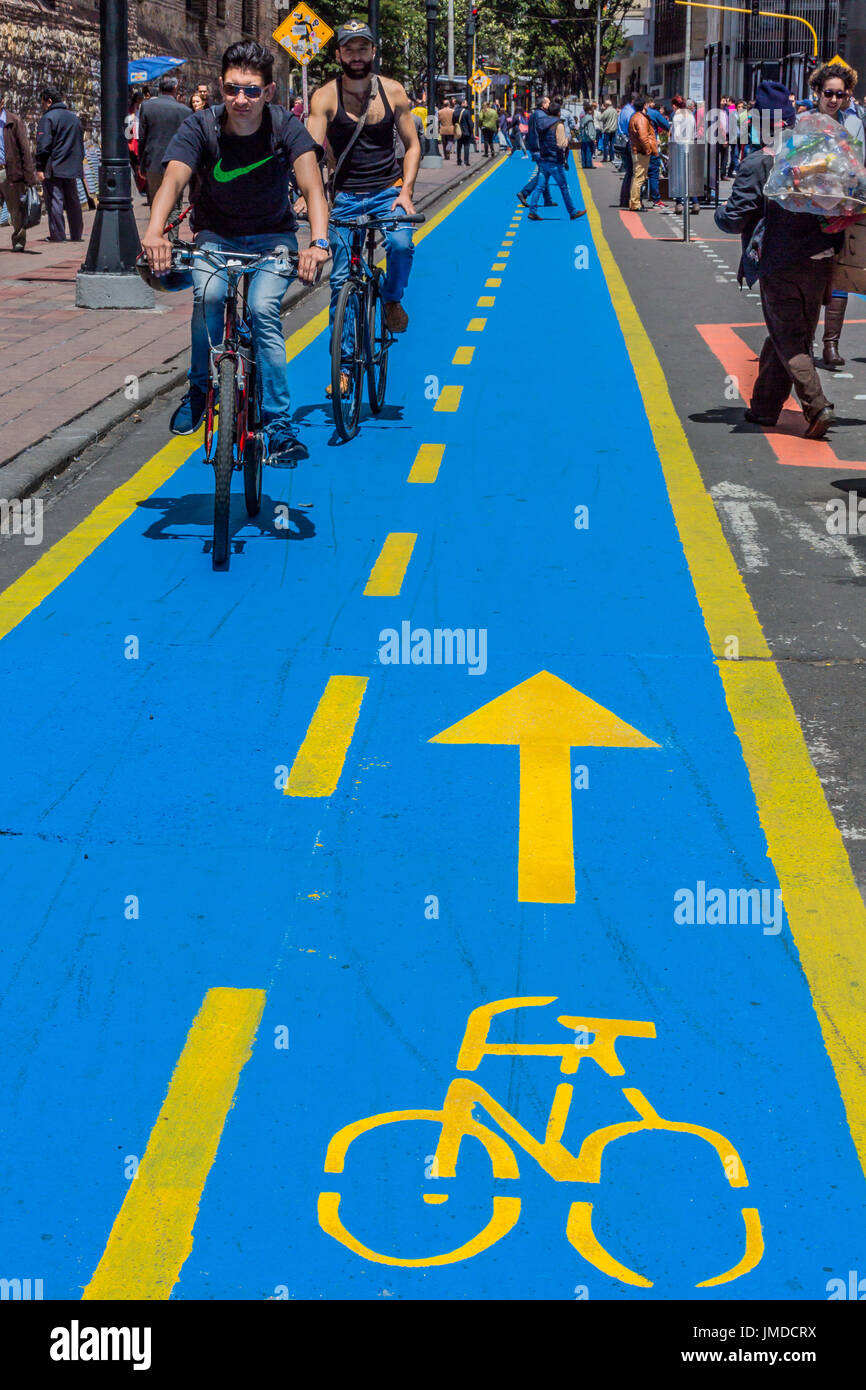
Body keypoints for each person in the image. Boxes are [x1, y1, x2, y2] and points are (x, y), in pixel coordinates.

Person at [142, 39, 329, 464]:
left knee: (263, 309)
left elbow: (312, 188)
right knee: (206, 296)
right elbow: (172, 181)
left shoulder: (286, 128)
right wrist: (155, 232)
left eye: (251, 90)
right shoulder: (201, 126)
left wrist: (317, 243)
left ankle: (279, 424)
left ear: (269, 92)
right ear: (220, 87)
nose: (240, 99)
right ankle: (199, 388)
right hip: (216, 237)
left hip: (272, 238)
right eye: (231, 89)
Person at [714, 79, 842, 440]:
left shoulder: (757, 162)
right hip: (820, 257)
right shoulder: (815, 152)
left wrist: (719, 214)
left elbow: (735, 217)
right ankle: (765, 407)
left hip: (779, 260)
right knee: (788, 331)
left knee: (789, 337)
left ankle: (817, 405)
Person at [303, 19, 421, 395]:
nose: (356, 55)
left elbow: (413, 145)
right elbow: (310, 152)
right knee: (340, 282)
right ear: (338, 54)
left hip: (388, 191)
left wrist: (406, 193)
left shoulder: (393, 91)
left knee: (402, 244)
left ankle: (391, 299)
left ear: (373, 52)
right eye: (349, 49)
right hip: (346, 197)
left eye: (362, 48)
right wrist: (309, 197)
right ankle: (344, 368)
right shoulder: (324, 97)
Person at [808, 61, 865, 369]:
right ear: (817, 92)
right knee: (809, 277)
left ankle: (831, 345)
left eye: (839, 94)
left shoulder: (854, 121)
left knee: (841, 274)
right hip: (809, 211)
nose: (833, 99)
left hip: (844, 208)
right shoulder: (805, 122)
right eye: (828, 93)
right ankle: (803, 342)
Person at [35, 87, 85, 242]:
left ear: (49, 101)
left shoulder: (48, 118)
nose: (42, 106)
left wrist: (40, 167)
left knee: (55, 200)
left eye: (42, 103)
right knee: (73, 201)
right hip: (72, 167)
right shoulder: (74, 118)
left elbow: (43, 146)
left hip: (54, 166)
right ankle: (76, 234)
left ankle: (58, 235)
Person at [526, 99, 586, 222]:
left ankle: (532, 211)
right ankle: (572, 212)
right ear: (559, 112)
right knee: (563, 186)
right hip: (554, 160)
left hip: (544, 158)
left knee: (539, 186)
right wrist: (568, 139)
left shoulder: (542, 122)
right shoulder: (558, 124)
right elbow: (561, 144)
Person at [139, 74, 189, 208]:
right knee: (175, 205)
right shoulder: (185, 111)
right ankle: (171, 229)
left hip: (153, 161)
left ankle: (158, 228)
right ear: (175, 88)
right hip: (177, 162)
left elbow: (142, 137)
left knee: (155, 203)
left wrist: (142, 163)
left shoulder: (147, 106)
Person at [0, 93, 38, 252]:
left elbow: (25, 151)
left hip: (9, 173)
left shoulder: (13, 121)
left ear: (2, 102)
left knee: (15, 209)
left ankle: (18, 241)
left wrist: (29, 178)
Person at [517, 95, 555, 207]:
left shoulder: (534, 115)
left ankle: (547, 199)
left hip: (534, 146)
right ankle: (524, 193)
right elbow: (544, 133)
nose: (549, 104)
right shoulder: (542, 116)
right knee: (544, 173)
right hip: (541, 148)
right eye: (548, 103)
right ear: (543, 105)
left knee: (544, 172)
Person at [669, 93, 699, 215]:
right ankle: (695, 202)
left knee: (678, 177)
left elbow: (675, 135)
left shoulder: (677, 116)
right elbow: (694, 133)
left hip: (679, 147)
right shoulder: (691, 115)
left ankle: (679, 203)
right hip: (690, 146)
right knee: (689, 176)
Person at [628, 95, 656, 211]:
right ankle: (635, 204)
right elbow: (643, 136)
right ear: (644, 105)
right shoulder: (641, 118)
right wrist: (648, 149)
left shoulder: (635, 116)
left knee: (637, 177)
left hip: (637, 150)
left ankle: (635, 202)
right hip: (641, 151)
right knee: (639, 178)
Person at [645, 97, 670, 206]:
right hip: (651, 145)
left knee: (637, 173)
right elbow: (666, 125)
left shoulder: (634, 113)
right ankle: (655, 198)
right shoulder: (654, 114)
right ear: (649, 103)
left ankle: (635, 198)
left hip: (638, 146)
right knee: (654, 172)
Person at [617, 92, 636, 207]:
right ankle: (625, 199)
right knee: (630, 172)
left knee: (628, 172)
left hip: (623, 142)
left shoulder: (624, 110)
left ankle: (624, 198)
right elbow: (632, 128)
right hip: (628, 142)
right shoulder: (630, 112)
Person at [453, 96, 473, 165]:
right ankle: (466, 161)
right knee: (466, 146)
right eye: (466, 103)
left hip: (459, 132)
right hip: (466, 132)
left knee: (459, 146)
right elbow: (470, 123)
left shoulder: (455, 111)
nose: (467, 104)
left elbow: (453, 122)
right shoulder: (467, 112)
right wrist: (471, 131)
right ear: (462, 104)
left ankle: (458, 160)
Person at [599, 97, 617, 161]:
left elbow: (601, 118)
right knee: (612, 145)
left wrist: (602, 110)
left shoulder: (606, 111)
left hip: (607, 130)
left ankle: (605, 158)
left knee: (605, 145)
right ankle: (612, 158)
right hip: (614, 130)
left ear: (606, 105)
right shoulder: (615, 111)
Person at [579, 101, 595, 168]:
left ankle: (584, 164)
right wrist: (592, 138)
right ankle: (589, 164)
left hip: (583, 137)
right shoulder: (589, 118)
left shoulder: (583, 117)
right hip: (588, 137)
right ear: (589, 110)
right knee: (589, 151)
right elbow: (590, 129)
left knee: (583, 151)